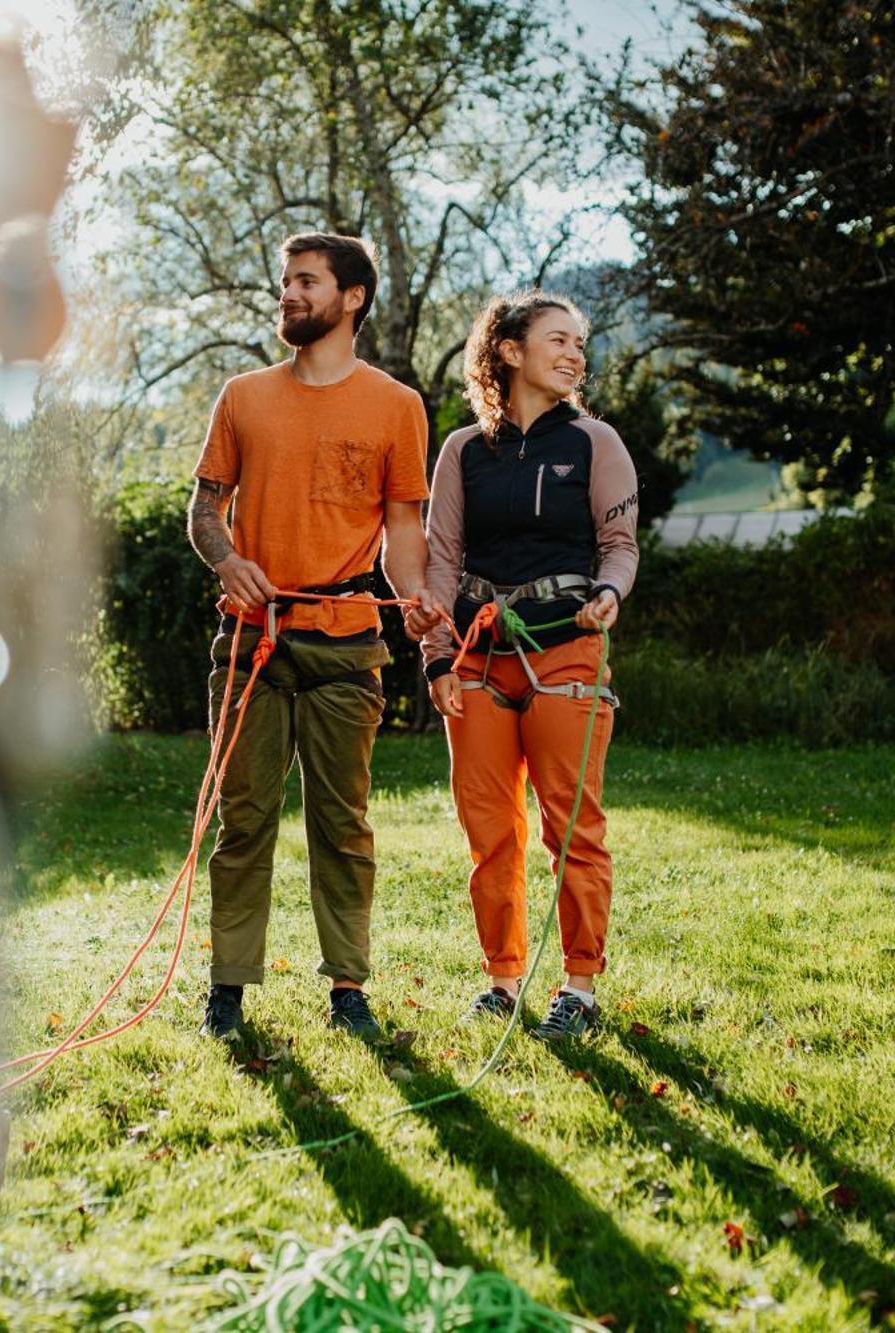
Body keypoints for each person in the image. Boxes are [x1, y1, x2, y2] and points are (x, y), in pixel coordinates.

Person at [187, 232, 430, 1041]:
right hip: (252, 640)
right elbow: (203, 512)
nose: (288, 294)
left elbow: (401, 529)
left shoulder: (397, 406)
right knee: (244, 819)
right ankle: (227, 989)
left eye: (306, 281)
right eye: (285, 281)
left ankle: (348, 988)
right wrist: (228, 562)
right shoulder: (243, 396)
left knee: (343, 824)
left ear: (351, 297)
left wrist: (418, 595)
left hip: (347, 641)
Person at [404, 292, 638, 1042]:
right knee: (489, 830)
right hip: (477, 658)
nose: (574, 354)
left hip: (566, 647)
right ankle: (502, 981)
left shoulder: (596, 442)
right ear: (507, 351)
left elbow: (620, 546)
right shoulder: (463, 451)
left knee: (572, 827)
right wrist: (434, 652)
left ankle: (579, 986)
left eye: (580, 344)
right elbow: (441, 559)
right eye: (558, 340)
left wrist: (609, 593)